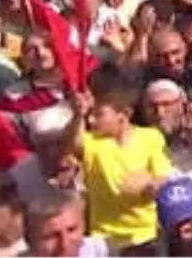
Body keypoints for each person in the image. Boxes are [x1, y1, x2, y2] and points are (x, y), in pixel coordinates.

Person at [68, 68, 173, 253]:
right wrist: (78, 115)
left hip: (145, 236)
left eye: (99, 114)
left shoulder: (151, 137)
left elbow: (162, 178)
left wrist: (149, 186)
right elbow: (74, 144)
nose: (91, 120)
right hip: (104, 240)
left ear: (123, 115)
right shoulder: (92, 142)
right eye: (90, 114)